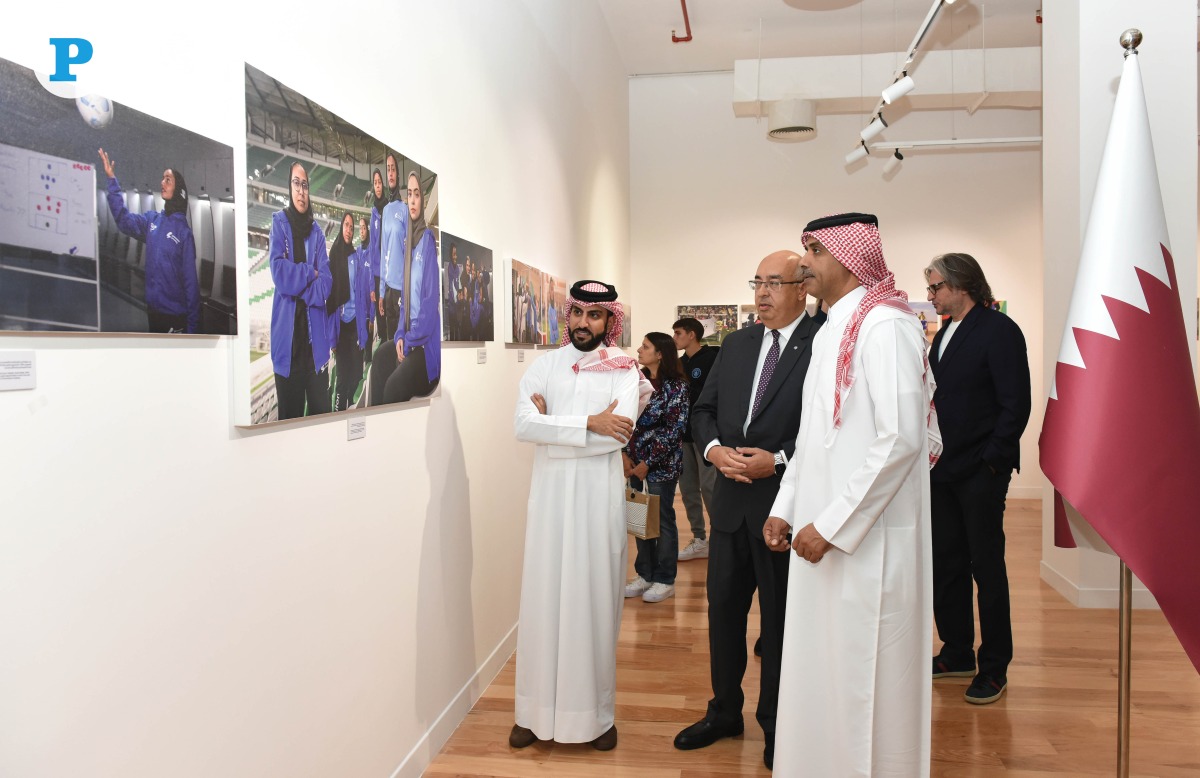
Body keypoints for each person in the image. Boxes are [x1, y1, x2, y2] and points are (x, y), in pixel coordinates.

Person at [764, 212, 938, 776]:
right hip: (823, 537)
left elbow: (901, 439)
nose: (802, 264)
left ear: (847, 256)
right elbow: (814, 440)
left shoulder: (884, 325)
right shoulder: (834, 327)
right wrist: (785, 508)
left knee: (869, 679)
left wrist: (832, 525)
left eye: (812, 252)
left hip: (867, 543)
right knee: (826, 672)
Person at [676, 251, 825, 770]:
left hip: (783, 511)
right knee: (722, 616)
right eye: (756, 283)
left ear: (801, 289)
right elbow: (703, 411)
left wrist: (778, 460)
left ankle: (777, 725)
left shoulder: (823, 342)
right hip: (730, 507)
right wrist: (714, 450)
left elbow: (831, 430)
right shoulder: (735, 344)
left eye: (774, 283)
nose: (762, 294)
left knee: (780, 625)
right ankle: (724, 712)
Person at [510, 280, 652, 752]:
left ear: (610, 321)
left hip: (598, 503)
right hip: (549, 502)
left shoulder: (625, 371)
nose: (584, 323)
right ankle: (531, 714)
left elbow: (617, 439)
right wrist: (589, 421)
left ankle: (595, 717)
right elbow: (522, 425)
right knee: (542, 601)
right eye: (578, 314)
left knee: (593, 603)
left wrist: (555, 432)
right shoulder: (544, 366)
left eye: (596, 315)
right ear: (566, 315)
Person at [925, 252, 1031, 705]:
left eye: (935, 288)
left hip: (980, 472)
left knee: (986, 569)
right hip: (942, 469)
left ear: (961, 285)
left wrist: (992, 462)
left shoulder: (1000, 331)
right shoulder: (945, 331)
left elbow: (1016, 404)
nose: (930, 297)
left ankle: (994, 666)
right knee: (946, 564)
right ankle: (956, 651)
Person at [98, 148, 200, 333]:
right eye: (162, 178)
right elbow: (124, 220)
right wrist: (112, 181)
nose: (162, 182)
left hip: (175, 318)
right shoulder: (152, 221)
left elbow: (191, 284)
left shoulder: (184, 234)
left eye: (168, 179)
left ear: (179, 190)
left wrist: (192, 330)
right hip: (153, 312)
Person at [623, 331, 689, 603]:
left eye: (646, 346)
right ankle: (645, 574)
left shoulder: (677, 387)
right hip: (634, 464)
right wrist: (625, 455)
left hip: (660, 467)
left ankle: (665, 578)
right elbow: (625, 419)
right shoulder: (634, 381)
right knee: (639, 519)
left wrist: (647, 463)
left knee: (662, 521)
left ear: (660, 353)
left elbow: (675, 430)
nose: (639, 349)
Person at [266, 162, 333, 419]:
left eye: (305, 185)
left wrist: (299, 289)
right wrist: (308, 272)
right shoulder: (279, 224)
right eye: (297, 184)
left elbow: (326, 281)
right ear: (289, 188)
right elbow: (279, 274)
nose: (301, 191)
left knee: (322, 423)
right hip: (288, 351)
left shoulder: (317, 233)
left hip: (315, 352)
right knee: (288, 428)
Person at [369, 171, 440, 404]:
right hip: (409, 338)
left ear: (422, 200)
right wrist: (399, 334)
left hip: (424, 348)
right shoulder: (407, 246)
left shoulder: (427, 241)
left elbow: (429, 308)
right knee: (379, 359)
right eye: (409, 194)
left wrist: (408, 341)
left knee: (393, 387)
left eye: (417, 194)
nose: (412, 199)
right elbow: (404, 305)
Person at [672, 317, 720, 561]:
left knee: (710, 487)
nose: (674, 338)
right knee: (688, 488)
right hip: (683, 435)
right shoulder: (678, 363)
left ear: (692, 335)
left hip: (706, 435)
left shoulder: (713, 358)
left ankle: (720, 539)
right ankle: (699, 538)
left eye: (678, 333)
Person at [379, 154, 407, 341]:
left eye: (393, 169)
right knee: (389, 344)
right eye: (387, 169)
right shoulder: (385, 210)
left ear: (398, 174)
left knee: (402, 347)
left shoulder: (404, 209)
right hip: (388, 291)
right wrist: (381, 291)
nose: (390, 173)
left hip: (401, 291)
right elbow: (383, 253)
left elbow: (408, 253)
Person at [368, 167, 387, 356]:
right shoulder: (373, 212)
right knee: (380, 319)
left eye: (379, 182)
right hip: (376, 274)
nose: (378, 186)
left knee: (389, 316)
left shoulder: (388, 208)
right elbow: (373, 246)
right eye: (375, 183)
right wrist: (372, 285)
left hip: (388, 274)